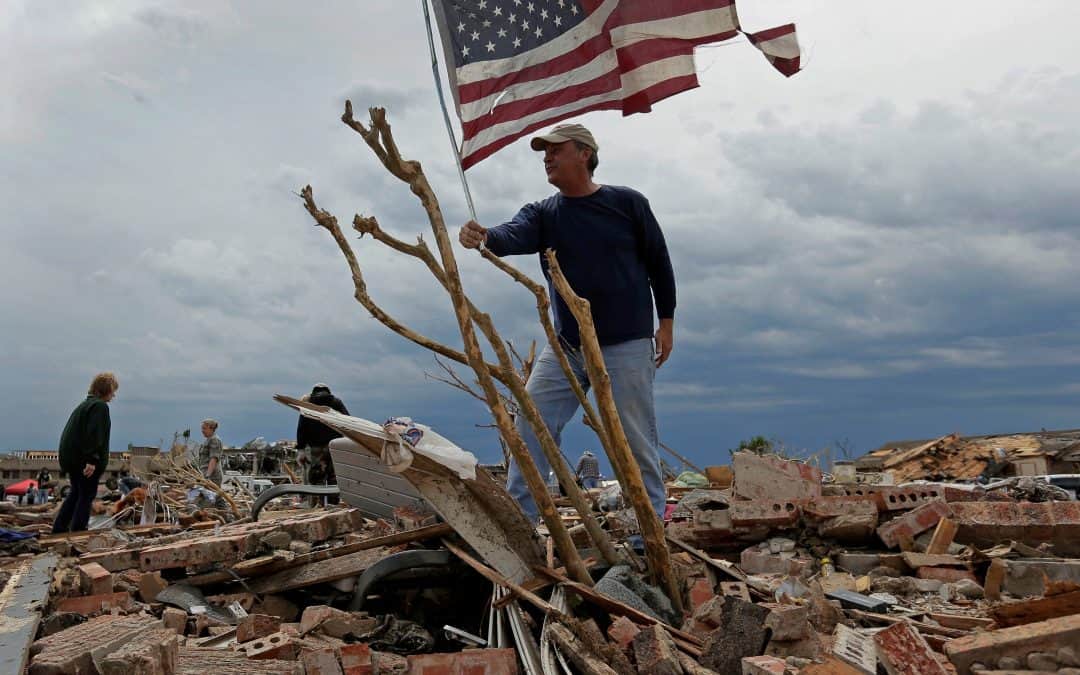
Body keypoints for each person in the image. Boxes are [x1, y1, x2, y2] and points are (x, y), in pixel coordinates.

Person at [458, 122, 676, 523]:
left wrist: (666, 323)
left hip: (626, 343)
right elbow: (512, 234)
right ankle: (523, 520)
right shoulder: (543, 214)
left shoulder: (628, 204)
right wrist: (485, 236)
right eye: (545, 152)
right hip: (568, 345)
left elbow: (659, 263)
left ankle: (649, 524)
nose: (547, 157)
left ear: (585, 154)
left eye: (556, 150)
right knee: (532, 420)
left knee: (634, 436)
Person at [53, 372, 118, 533]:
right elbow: (94, 434)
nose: (114, 395)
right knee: (86, 494)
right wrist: (92, 460)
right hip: (83, 460)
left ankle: (60, 528)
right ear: (106, 390)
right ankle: (79, 530)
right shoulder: (99, 407)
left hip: (72, 459)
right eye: (113, 390)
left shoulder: (85, 405)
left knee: (76, 493)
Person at [296, 383, 349, 504]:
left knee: (317, 478)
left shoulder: (308, 405)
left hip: (316, 448)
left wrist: (301, 449)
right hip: (335, 446)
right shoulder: (336, 402)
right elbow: (348, 421)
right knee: (333, 478)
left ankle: (318, 506)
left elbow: (301, 429)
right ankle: (333, 506)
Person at [187, 418, 223, 505]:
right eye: (202, 428)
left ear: (211, 428)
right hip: (205, 474)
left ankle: (226, 514)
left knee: (213, 498)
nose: (202, 431)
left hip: (212, 475)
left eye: (204, 428)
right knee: (207, 498)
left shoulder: (214, 440)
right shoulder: (208, 440)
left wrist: (207, 476)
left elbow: (213, 459)